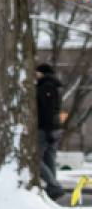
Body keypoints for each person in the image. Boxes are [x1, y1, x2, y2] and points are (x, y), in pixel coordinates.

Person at [37, 64, 65, 200]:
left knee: (34, 159)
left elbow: (47, 110)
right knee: (49, 158)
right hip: (56, 127)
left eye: (36, 73)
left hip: (46, 128)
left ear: (42, 73)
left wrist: (48, 130)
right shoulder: (56, 86)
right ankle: (52, 188)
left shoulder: (45, 86)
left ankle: (54, 185)